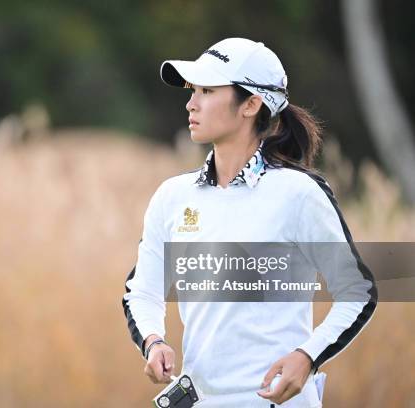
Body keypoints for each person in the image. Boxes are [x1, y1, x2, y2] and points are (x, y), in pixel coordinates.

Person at [121, 38, 377, 407]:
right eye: (194, 91)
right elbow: (142, 290)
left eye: (207, 90)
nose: (191, 103)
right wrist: (153, 340)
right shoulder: (172, 197)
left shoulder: (299, 193)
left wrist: (308, 357)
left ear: (252, 104)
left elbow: (358, 291)